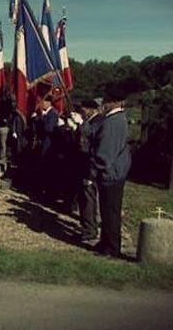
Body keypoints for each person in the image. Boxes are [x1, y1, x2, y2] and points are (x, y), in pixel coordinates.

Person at [91, 89, 131, 259]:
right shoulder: (114, 119)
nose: (103, 104)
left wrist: (95, 168)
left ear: (115, 102)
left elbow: (105, 152)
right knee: (106, 210)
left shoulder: (113, 122)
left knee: (111, 212)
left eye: (106, 100)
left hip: (111, 173)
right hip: (113, 171)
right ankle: (105, 241)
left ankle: (112, 248)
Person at [77, 99, 103, 243]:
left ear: (91, 109)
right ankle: (86, 227)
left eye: (83, 110)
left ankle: (89, 230)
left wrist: (81, 128)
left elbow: (88, 145)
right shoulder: (90, 122)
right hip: (83, 165)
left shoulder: (96, 122)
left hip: (89, 166)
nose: (82, 113)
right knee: (84, 198)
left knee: (89, 200)